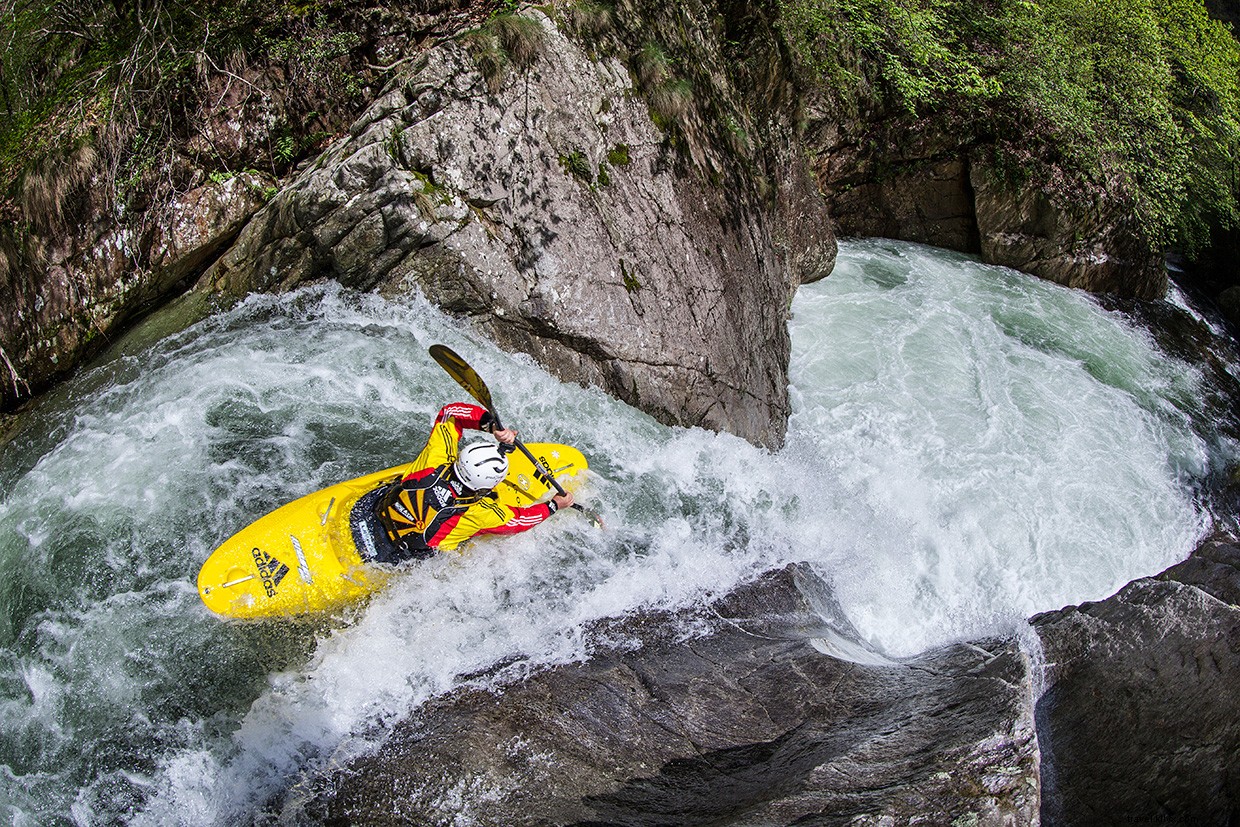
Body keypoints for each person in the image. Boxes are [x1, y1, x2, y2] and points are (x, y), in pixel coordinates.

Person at [349, 402, 574, 564]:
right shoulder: (479, 511)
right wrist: (554, 505)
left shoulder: (435, 459)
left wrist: (489, 425)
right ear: (487, 488)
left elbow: (450, 413)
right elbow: (519, 521)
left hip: (365, 511)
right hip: (393, 557)